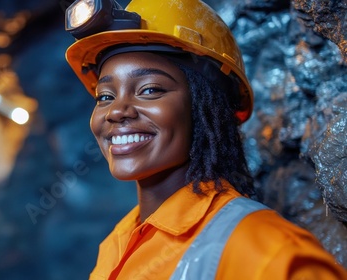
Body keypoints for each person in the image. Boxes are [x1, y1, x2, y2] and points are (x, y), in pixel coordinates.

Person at [64, 0, 347, 279]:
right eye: (105, 96)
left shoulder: (266, 249)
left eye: (149, 90)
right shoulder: (120, 242)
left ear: (206, 107)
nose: (116, 111)